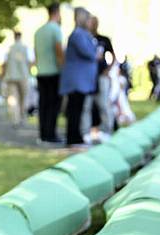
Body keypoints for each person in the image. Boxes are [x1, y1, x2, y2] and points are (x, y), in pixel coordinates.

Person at [59, 8, 99, 148]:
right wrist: (96, 54)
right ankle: (73, 138)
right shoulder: (78, 35)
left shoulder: (82, 34)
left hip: (81, 81)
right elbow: (89, 53)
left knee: (77, 109)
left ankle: (76, 137)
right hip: (77, 81)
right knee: (74, 109)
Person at [34, 3, 64, 143]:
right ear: (57, 12)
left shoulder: (39, 31)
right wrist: (63, 68)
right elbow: (59, 51)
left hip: (41, 73)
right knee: (53, 105)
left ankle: (43, 134)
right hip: (53, 73)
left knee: (43, 104)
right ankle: (50, 134)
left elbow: (36, 54)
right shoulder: (55, 29)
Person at [89, 16, 115, 138]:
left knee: (103, 103)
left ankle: (108, 128)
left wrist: (108, 70)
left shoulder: (103, 39)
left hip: (101, 75)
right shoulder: (86, 38)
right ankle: (91, 129)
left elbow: (114, 56)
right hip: (89, 77)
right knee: (89, 103)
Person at [3, 31, 31, 126]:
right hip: (23, 76)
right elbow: (29, 62)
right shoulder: (25, 48)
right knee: (23, 98)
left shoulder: (9, 49)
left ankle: (16, 119)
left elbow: (5, 64)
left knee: (14, 98)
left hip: (11, 76)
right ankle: (22, 118)